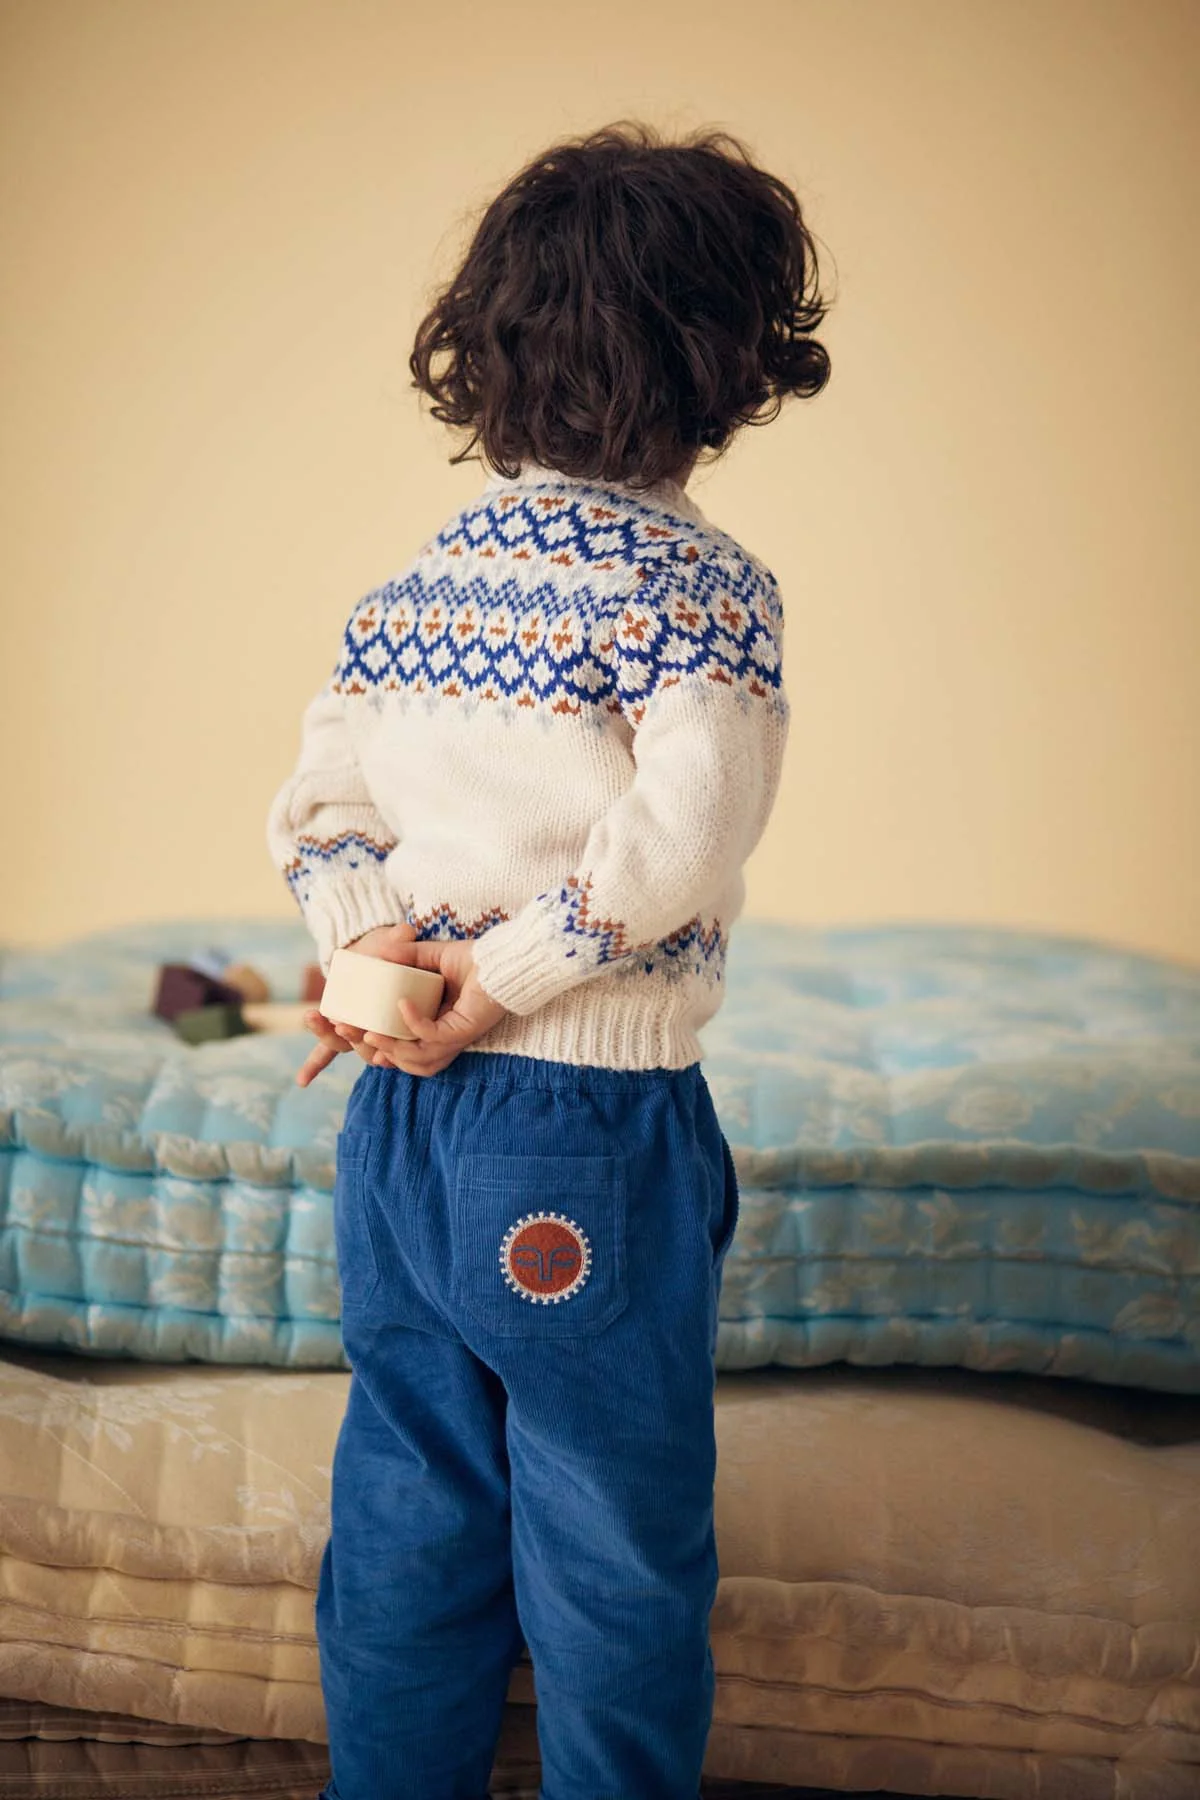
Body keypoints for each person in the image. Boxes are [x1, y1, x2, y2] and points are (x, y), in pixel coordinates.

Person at [266, 117, 831, 1800]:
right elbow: (675, 848)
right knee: (613, 1533)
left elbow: (320, 811)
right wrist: (502, 988)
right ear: (726, 361)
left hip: (397, 1117)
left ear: (488, 344)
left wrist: (373, 962)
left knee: (410, 1498)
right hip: (580, 1122)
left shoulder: (415, 588)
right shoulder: (701, 588)